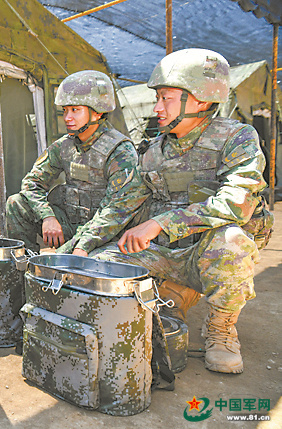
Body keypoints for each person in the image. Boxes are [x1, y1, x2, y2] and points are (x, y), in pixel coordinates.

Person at [91, 48, 273, 374]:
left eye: (167, 98)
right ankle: (169, 296)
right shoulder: (151, 153)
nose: (157, 108)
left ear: (202, 101)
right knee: (103, 260)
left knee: (232, 241)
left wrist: (160, 223)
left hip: (207, 255)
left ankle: (221, 328)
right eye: (157, 98)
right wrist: (79, 246)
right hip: (168, 257)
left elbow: (238, 202)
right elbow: (120, 206)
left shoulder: (236, 138)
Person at [5, 70, 148, 254]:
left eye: (75, 110)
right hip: (71, 224)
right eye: (65, 110)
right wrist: (48, 216)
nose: (67, 118)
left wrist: (77, 246)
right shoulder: (64, 146)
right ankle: (21, 263)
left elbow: (116, 211)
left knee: (61, 264)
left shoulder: (120, 151)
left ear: (97, 113)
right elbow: (32, 183)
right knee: (16, 203)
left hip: (104, 233)